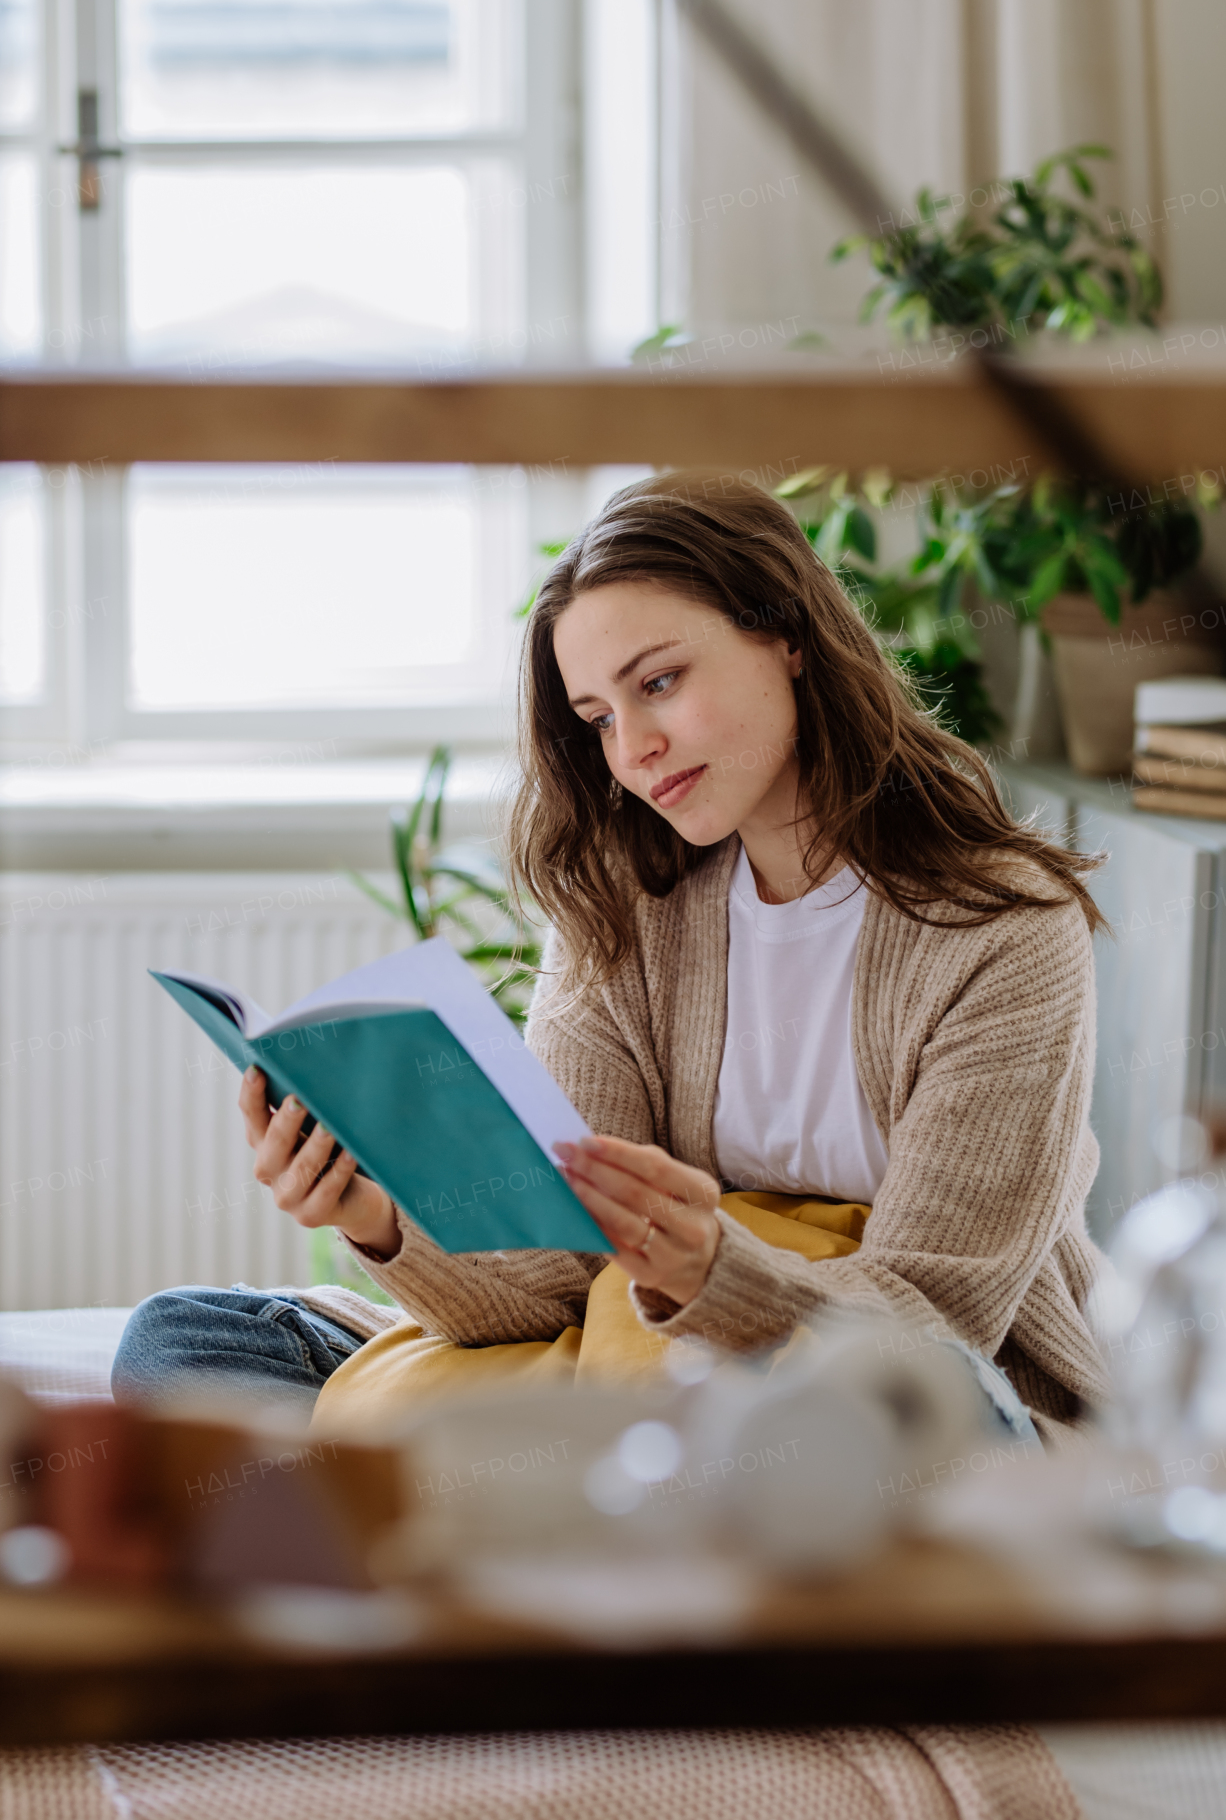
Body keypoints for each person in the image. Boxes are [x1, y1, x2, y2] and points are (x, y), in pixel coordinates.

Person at [112, 471, 1113, 1447]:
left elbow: (935, 1322)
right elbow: (553, 1279)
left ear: (788, 636)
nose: (630, 748)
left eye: (660, 683)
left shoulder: (1005, 932)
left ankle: (572, 1490)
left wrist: (714, 1270)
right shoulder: (625, 909)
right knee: (186, 1345)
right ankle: (630, 1493)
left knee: (916, 1409)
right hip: (635, 1347)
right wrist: (373, 1217)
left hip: (883, 1381)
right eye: (595, 718)